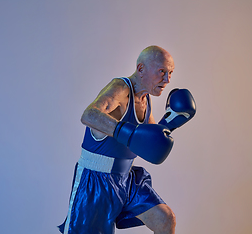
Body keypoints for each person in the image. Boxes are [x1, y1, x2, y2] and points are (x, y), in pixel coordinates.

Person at [58, 45, 196, 234]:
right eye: (162, 72)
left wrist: (171, 121)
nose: (167, 80)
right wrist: (127, 133)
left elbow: (151, 142)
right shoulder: (120, 88)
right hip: (95, 182)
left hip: (126, 180)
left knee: (165, 219)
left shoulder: (146, 99)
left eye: (170, 73)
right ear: (141, 69)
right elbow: (89, 115)